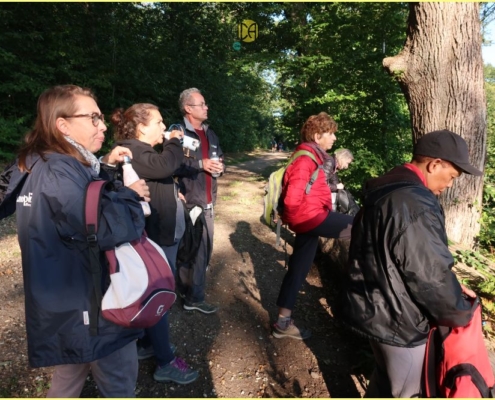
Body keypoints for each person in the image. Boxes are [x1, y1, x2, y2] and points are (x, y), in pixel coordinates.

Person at [0, 85, 151, 397]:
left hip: (68, 302)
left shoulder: (45, 162)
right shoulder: (60, 170)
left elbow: (81, 210)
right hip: (90, 304)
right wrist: (131, 196)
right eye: (93, 117)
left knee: (70, 373)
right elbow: (105, 227)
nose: (103, 125)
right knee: (119, 381)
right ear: (63, 125)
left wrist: (106, 169)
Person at [339, 129, 480, 397]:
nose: (450, 185)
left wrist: (453, 286)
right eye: (452, 176)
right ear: (435, 164)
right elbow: (430, 275)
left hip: (375, 308)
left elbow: (397, 257)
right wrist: (461, 311)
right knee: (405, 390)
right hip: (400, 324)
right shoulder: (415, 203)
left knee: (385, 381)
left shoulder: (387, 189)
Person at [111, 103, 199, 384]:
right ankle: (165, 361)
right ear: (140, 127)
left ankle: (148, 344)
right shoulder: (133, 150)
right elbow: (164, 166)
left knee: (155, 292)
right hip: (155, 237)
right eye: (159, 122)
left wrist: (173, 191)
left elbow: (162, 173)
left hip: (159, 234)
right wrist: (173, 140)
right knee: (158, 295)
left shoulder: (141, 151)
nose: (163, 127)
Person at [273, 112, 354, 340]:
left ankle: (282, 323)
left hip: (309, 218)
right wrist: (295, 220)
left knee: (298, 269)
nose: (334, 138)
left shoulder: (314, 157)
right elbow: (292, 199)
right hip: (310, 218)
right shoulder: (305, 159)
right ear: (318, 136)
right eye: (331, 134)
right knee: (361, 225)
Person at [174, 88, 224, 314]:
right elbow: (170, 165)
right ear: (188, 108)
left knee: (200, 249)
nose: (206, 107)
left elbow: (219, 157)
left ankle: (186, 290)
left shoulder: (210, 133)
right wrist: (200, 164)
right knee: (196, 249)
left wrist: (221, 167)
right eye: (201, 104)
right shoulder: (177, 133)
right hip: (190, 202)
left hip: (209, 201)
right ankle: (194, 297)